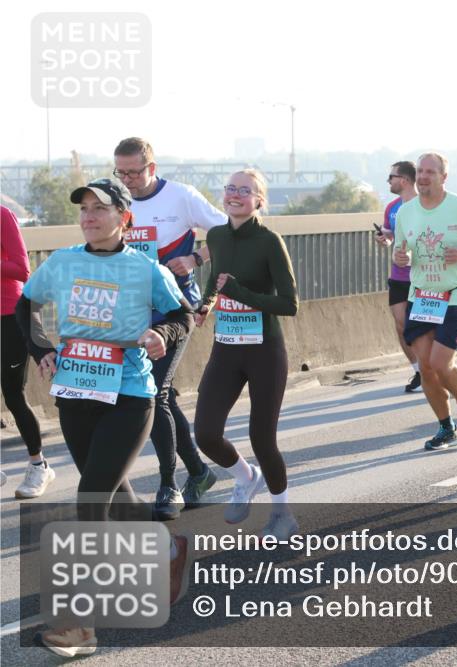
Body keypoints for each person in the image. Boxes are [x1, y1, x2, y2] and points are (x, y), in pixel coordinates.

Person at [16, 177, 192, 656]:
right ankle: (168, 549)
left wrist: (161, 335)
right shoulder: (63, 262)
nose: (89, 217)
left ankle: (78, 626)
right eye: (84, 209)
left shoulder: (145, 268)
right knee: (115, 497)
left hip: (129, 395)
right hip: (75, 392)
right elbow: (26, 304)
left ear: (123, 218)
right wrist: (41, 348)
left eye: (100, 209)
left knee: (91, 498)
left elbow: (181, 315)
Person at [113, 137, 224, 519]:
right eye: (120, 172)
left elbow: (233, 232)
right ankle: (199, 472)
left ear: (152, 168)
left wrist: (196, 257)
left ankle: (168, 485)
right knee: (163, 396)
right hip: (134, 313)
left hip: (176, 310)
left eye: (133, 172)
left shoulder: (181, 196)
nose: (127, 180)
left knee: (155, 394)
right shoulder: (116, 199)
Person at [193, 169, 299, 539]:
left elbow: (290, 304)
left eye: (245, 190)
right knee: (205, 434)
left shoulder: (269, 241)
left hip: (264, 351)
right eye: (230, 188)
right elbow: (216, 277)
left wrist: (241, 294)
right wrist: (206, 303)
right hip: (226, 348)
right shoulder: (216, 236)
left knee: (262, 440)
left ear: (259, 201)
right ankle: (245, 477)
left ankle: (282, 514)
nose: (235, 195)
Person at [393, 153, 457, 450]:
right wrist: (401, 257)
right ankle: (446, 428)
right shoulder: (405, 212)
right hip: (422, 295)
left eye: (430, 172)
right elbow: (401, 249)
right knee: (425, 367)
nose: (423, 177)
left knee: (440, 362)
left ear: (443, 177)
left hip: (456, 293)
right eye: (420, 171)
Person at [2, 206, 49, 498]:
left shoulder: (2, 215)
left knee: (13, 395)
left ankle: (38, 465)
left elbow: (22, 269)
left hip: (8, 316)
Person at [374, 161, 422, 393]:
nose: (388, 181)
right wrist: (384, 240)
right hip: (399, 275)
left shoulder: (426, 204)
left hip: (424, 276)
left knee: (422, 327)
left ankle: (434, 369)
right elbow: (390, 235)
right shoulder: (391, 207)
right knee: (402, 326)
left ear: (403, 179)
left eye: (391, 177)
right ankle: (419, 371)